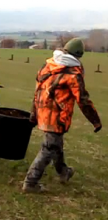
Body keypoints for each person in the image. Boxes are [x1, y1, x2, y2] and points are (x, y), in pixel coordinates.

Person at [23, 38, 102, 193]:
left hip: (42, 110)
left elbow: (37, 89)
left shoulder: (49, 64)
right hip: (56, 117)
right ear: (79, 55)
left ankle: (63, 172)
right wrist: (95, 121)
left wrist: (34, 112)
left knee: (55, 144)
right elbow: (83, 100)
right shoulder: (73, 74)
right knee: (48, 148)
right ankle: (30, 182)